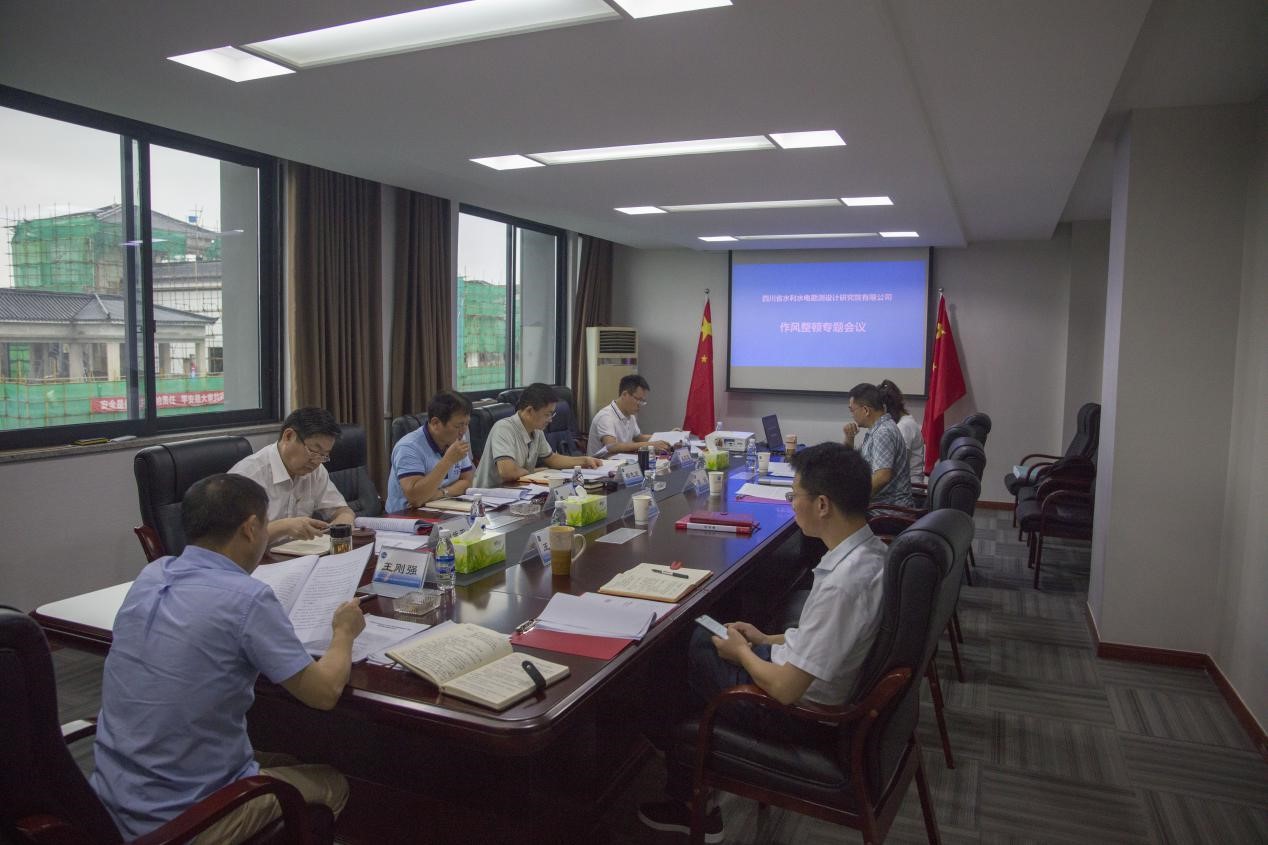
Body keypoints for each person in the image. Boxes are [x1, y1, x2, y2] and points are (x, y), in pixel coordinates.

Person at [90, 474, 365, 842]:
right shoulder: (247, 598)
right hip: (183, 822)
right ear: (250, 529)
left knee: (291, 758)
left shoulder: (153, 574)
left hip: (108, 804)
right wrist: (344, 632)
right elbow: (324, 692)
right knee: (333, 782)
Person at [637, 443, 887, 841]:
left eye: (794, 495)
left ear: (822, 504)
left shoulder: (844, 584)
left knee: (686, 646)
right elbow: (828, 638)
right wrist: (765, 637)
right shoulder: (871, 553)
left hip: (799, 714)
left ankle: (688, 795)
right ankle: (680, 758)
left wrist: (741, 653)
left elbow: (786, 690)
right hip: (810, 678)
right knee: (704, 633)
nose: (791, 503)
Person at [229, 407, 355, 542]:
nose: (316, 461)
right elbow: (235, 539)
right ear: (288, 436)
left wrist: (345, 519)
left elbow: (341, 510)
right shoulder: (247, 476)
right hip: (262, 555)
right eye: (313, 451)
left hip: (303, 553)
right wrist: (284, 527)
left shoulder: (316, 471)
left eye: (324, 455)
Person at [473, 383, 602, 487]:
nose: (550, 420)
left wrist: (584, 461)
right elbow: (508, 472)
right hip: (488, 497)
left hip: (517, 491)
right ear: (529, 411)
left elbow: (552, 459)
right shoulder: (504, 428)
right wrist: (533, 471)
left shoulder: (537, 430)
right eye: (547, 414)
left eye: (552, 414)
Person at [386, 390, 475, 512]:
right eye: (458, 426)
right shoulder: (408, 447)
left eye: (466, 424)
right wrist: (448, 461)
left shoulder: (456, 439)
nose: (463, 431)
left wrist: (440, 493)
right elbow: (416, 499)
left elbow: (468, 481)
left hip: (444, 508)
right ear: (435, 423)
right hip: (407, 517)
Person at [843, 382, 914, 506]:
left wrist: (855, 500)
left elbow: (882, 476)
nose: (852, 415)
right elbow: (853, 464)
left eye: (852, 410)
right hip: (880, 504)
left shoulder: (883, 432)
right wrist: (849, 438)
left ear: (866, 410)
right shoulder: (877, 429)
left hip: (887, 509)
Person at [588, 374, 674, 456]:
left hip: (620, 461)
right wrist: (651, 444)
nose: (640, 404)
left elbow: (639, 438)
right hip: (600, 464)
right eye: (638, 399)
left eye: (642, 401)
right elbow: (611, 446)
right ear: (624, 394)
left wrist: (668, 436)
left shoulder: (630, 415)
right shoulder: (606, 416)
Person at [879, 378, 926, 485]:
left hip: (909, 487)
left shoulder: (904, 426)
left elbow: (897, 466)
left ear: (885, 408)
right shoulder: (904, 422)